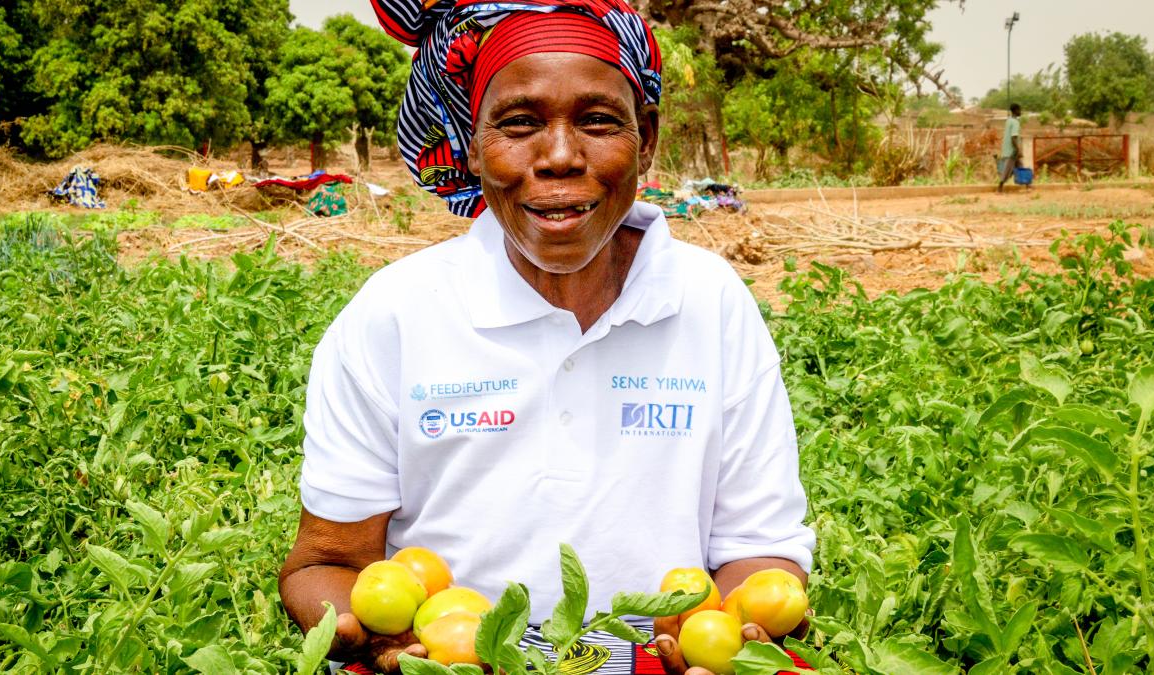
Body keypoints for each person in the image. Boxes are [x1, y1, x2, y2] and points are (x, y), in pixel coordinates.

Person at [278, 1, 816, 673]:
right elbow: (325, 562)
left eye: (597, 120)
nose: (559, 156)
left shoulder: (710, 303)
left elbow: (760, 550)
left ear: (645, 137)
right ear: (471, 142)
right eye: (519, 123)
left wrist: (737, 633)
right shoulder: (395, 314)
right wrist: (384, 639)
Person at [997, 103, 1023, 192]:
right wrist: (1018, 149)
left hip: (1008, 149)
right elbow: (1013, 137)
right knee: (1007, 170)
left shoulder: (1008, 120)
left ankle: (1027, 184)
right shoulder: (1015, 122)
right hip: (1012, 150)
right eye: (1019, 110)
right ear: (1015, 111)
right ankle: (1000, 186)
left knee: (1020, 167)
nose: (1021, 112)